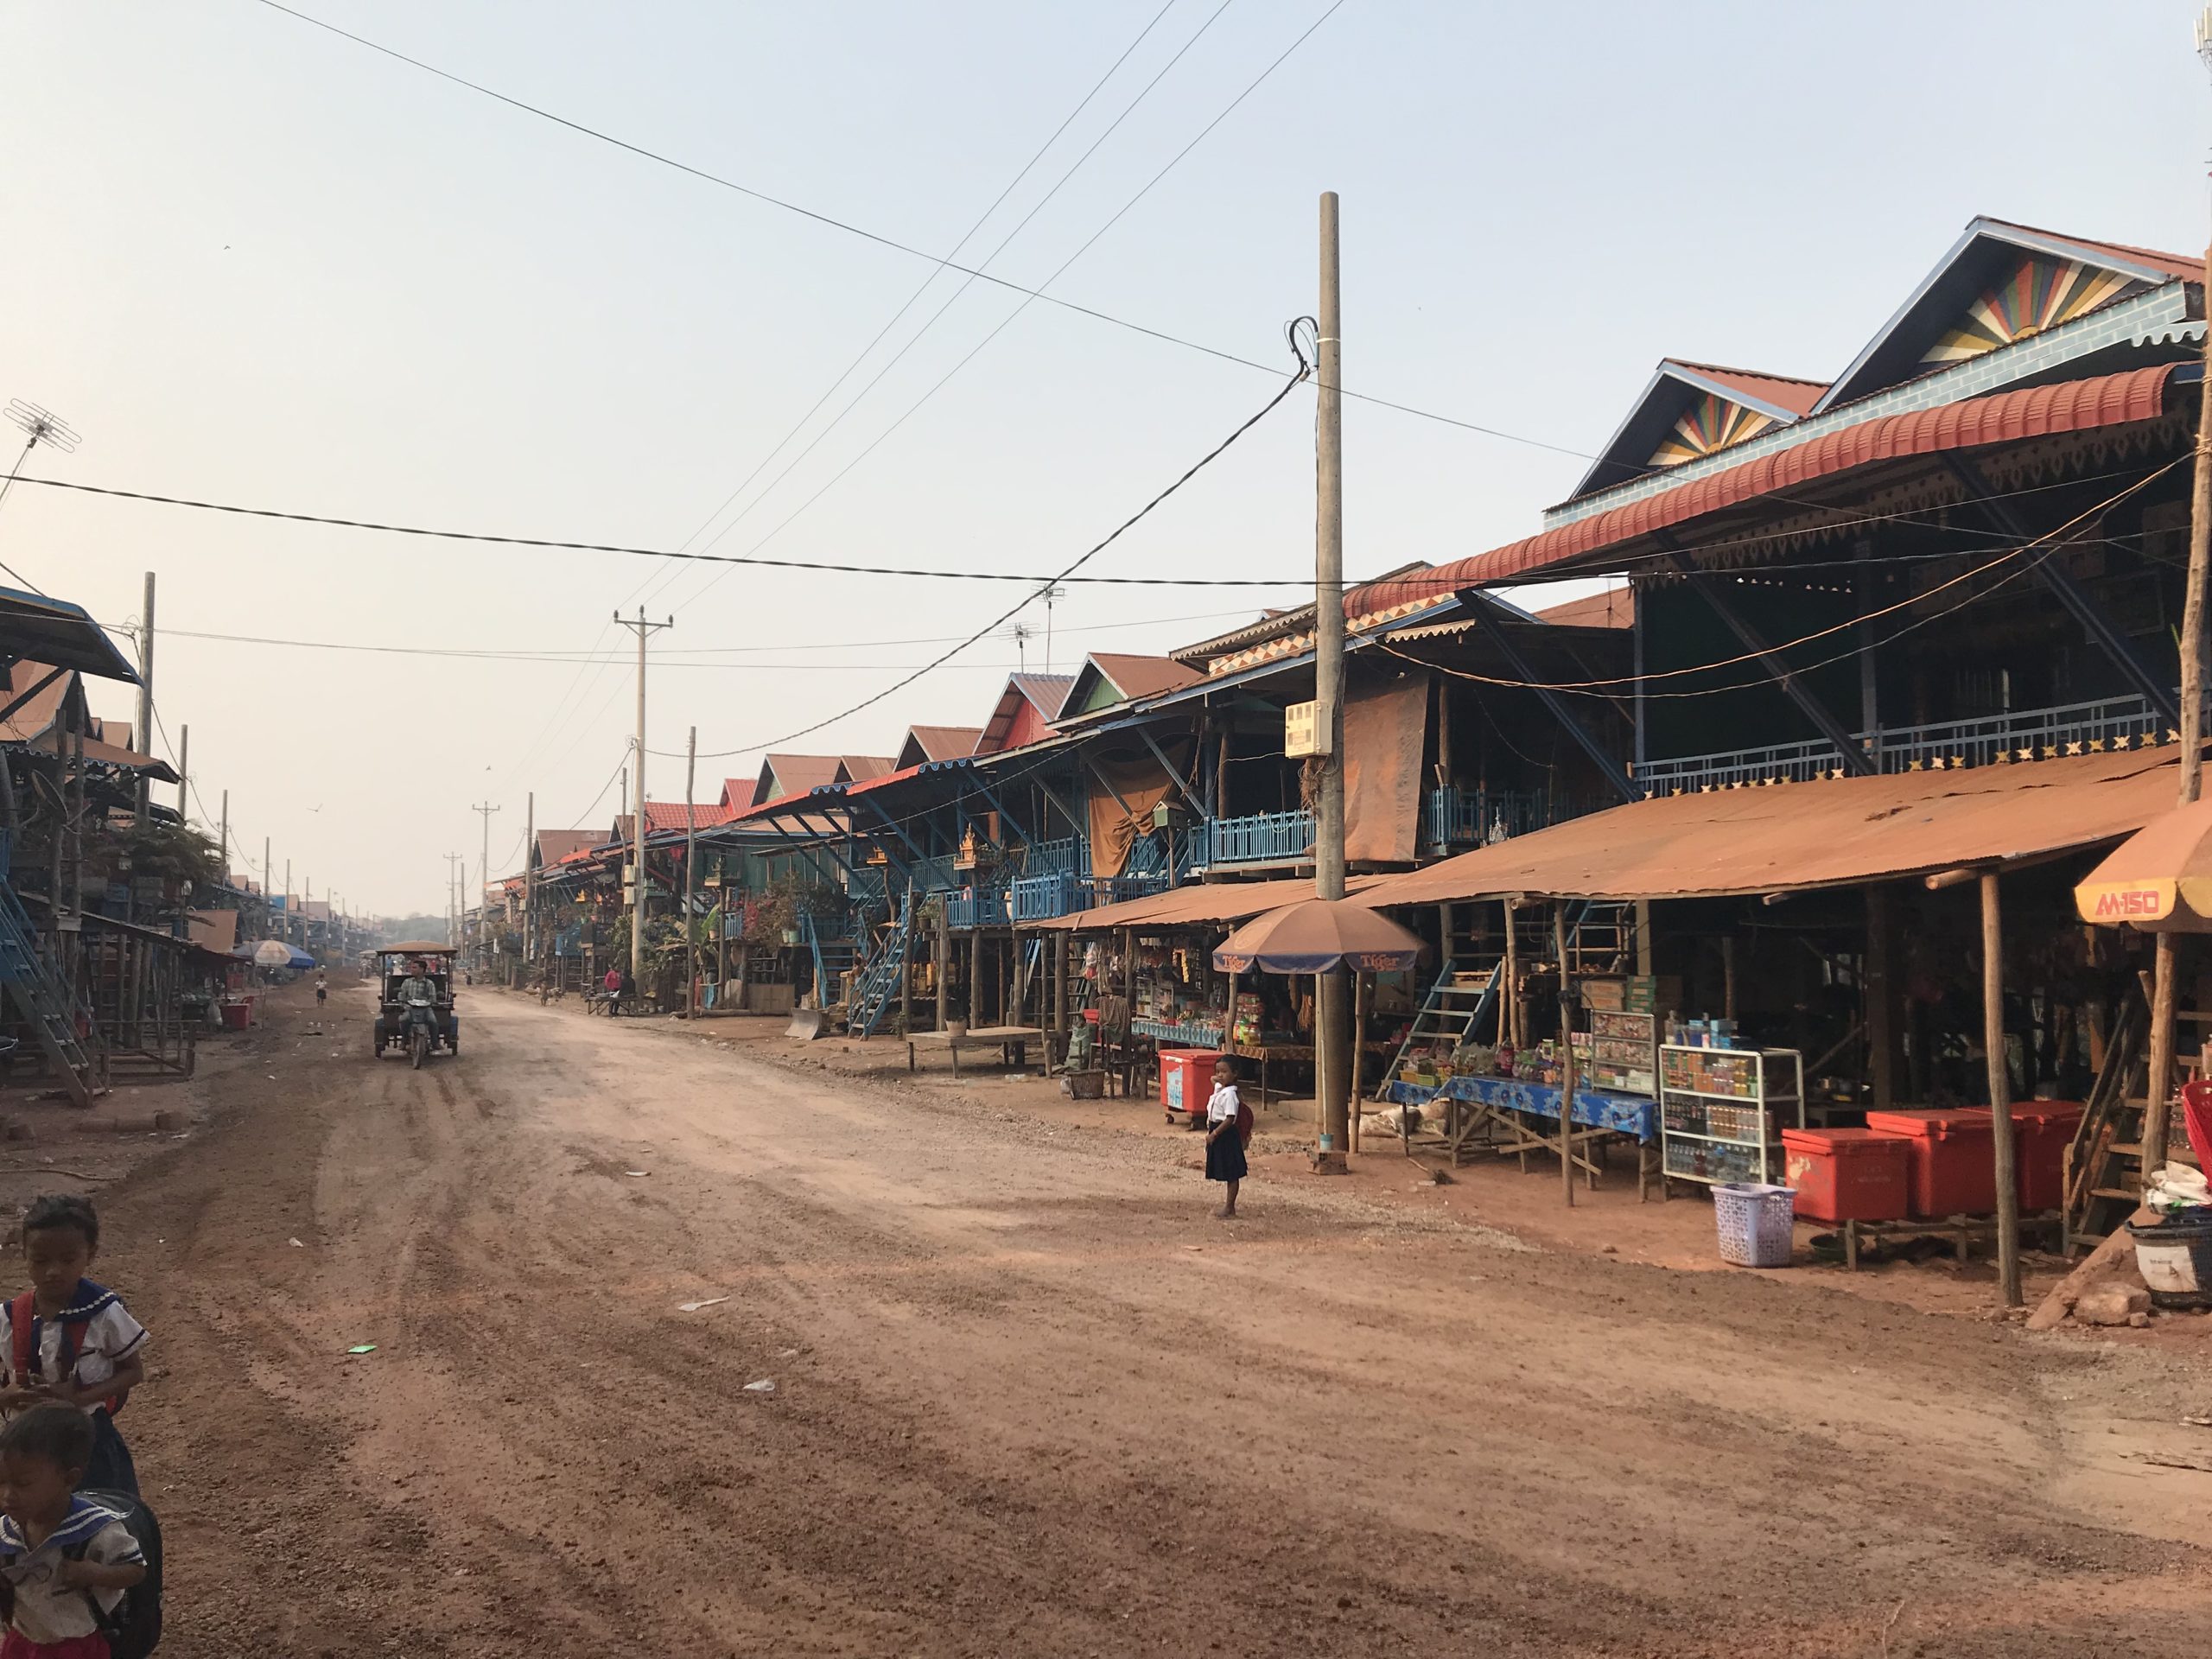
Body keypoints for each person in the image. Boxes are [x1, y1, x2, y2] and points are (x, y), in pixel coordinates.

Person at [0, 1198, 146, 1499]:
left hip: (86, 1442)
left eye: (67, 1260)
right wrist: (6, 1396)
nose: (53, 1271)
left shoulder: (104, 1313)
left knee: (98, 1516)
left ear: (89, 1255)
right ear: (24, 1254)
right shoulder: (8, 1317)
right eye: (40, 1260)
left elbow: (133, 1371)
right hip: (21, 1443)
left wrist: (78, 1398)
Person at [0, 1404, 148, 1658]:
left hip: (75, 1646)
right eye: (0, 1482)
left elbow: (136, 1570)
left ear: (69, 1479)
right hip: (24, 1640)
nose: (7, 1496)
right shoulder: (7, 1529)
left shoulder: (94, 1530)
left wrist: (95, 1573)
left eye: (23, 1484)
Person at [1203, 1058, 1250, 1219]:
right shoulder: (1221, 1089)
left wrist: (1214, 1134)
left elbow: (1230, 1118)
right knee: (1226, 1168)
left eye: (1224, 1072)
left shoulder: (1230, 1095)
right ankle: (1229, 1206)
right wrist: (1217, 1078)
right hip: (1218, 1130)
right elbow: (1213, 1081)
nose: (1220, 1075)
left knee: (1232, 1172)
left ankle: (1230, 1207)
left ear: (1235, 1074)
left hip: (1225, 1133)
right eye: (1218, 1072)